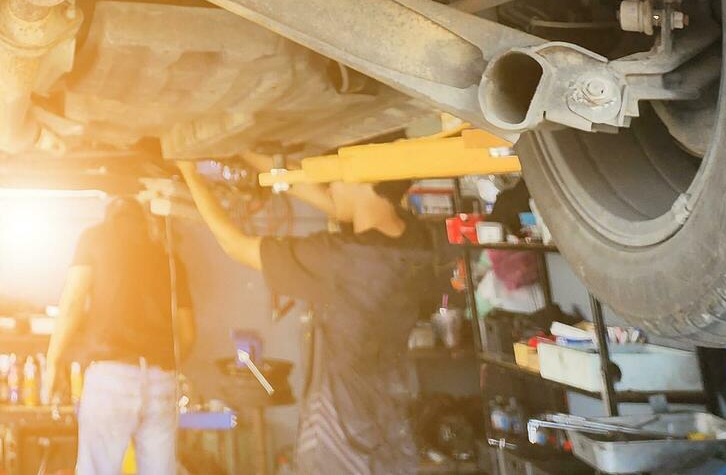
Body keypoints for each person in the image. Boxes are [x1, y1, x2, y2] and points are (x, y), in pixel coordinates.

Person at [177, 162, 439, 474]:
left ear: (361, 178)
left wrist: (189, 171)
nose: (329, 187)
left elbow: (236, 245)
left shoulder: (341, 259)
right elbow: (346, 205)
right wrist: (263, 160)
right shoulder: (413, 238)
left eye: (333, 179)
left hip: (341, 433)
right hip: (390, 422)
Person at [45, 196, 196, 474]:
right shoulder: (167, 254)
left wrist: (53, 361)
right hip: (162, 380)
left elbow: (73, 300)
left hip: (111, 378)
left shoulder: (94, 238)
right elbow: (187, 334)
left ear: (110, 214)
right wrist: (164, 369)